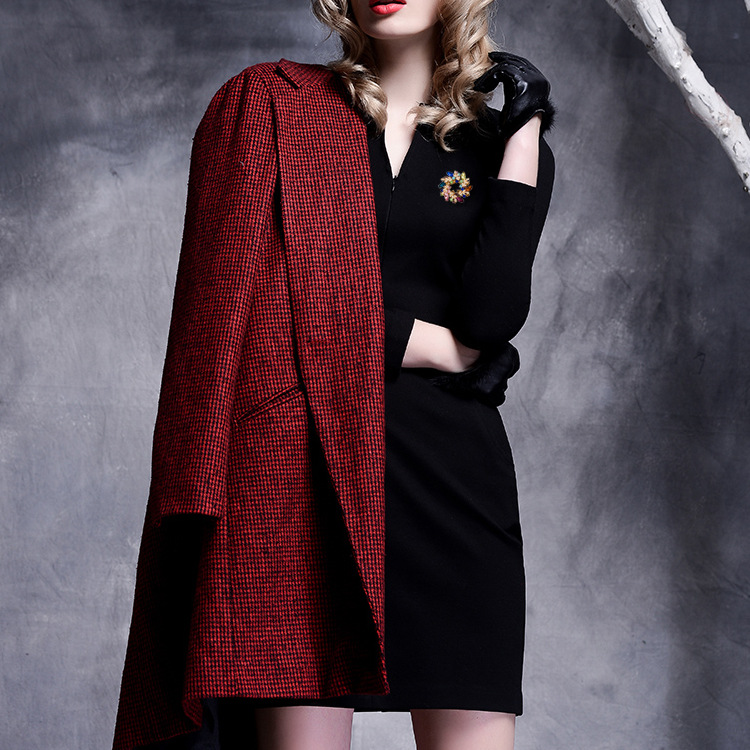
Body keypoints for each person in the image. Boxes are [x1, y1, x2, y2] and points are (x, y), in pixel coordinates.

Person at [112, 1, 555, 749]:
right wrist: (428, 344)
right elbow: (250, 310)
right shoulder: (272, 108)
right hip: (301, 482)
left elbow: (490, 318)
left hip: (452, 482)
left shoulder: (498, 145)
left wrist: (526, 131)